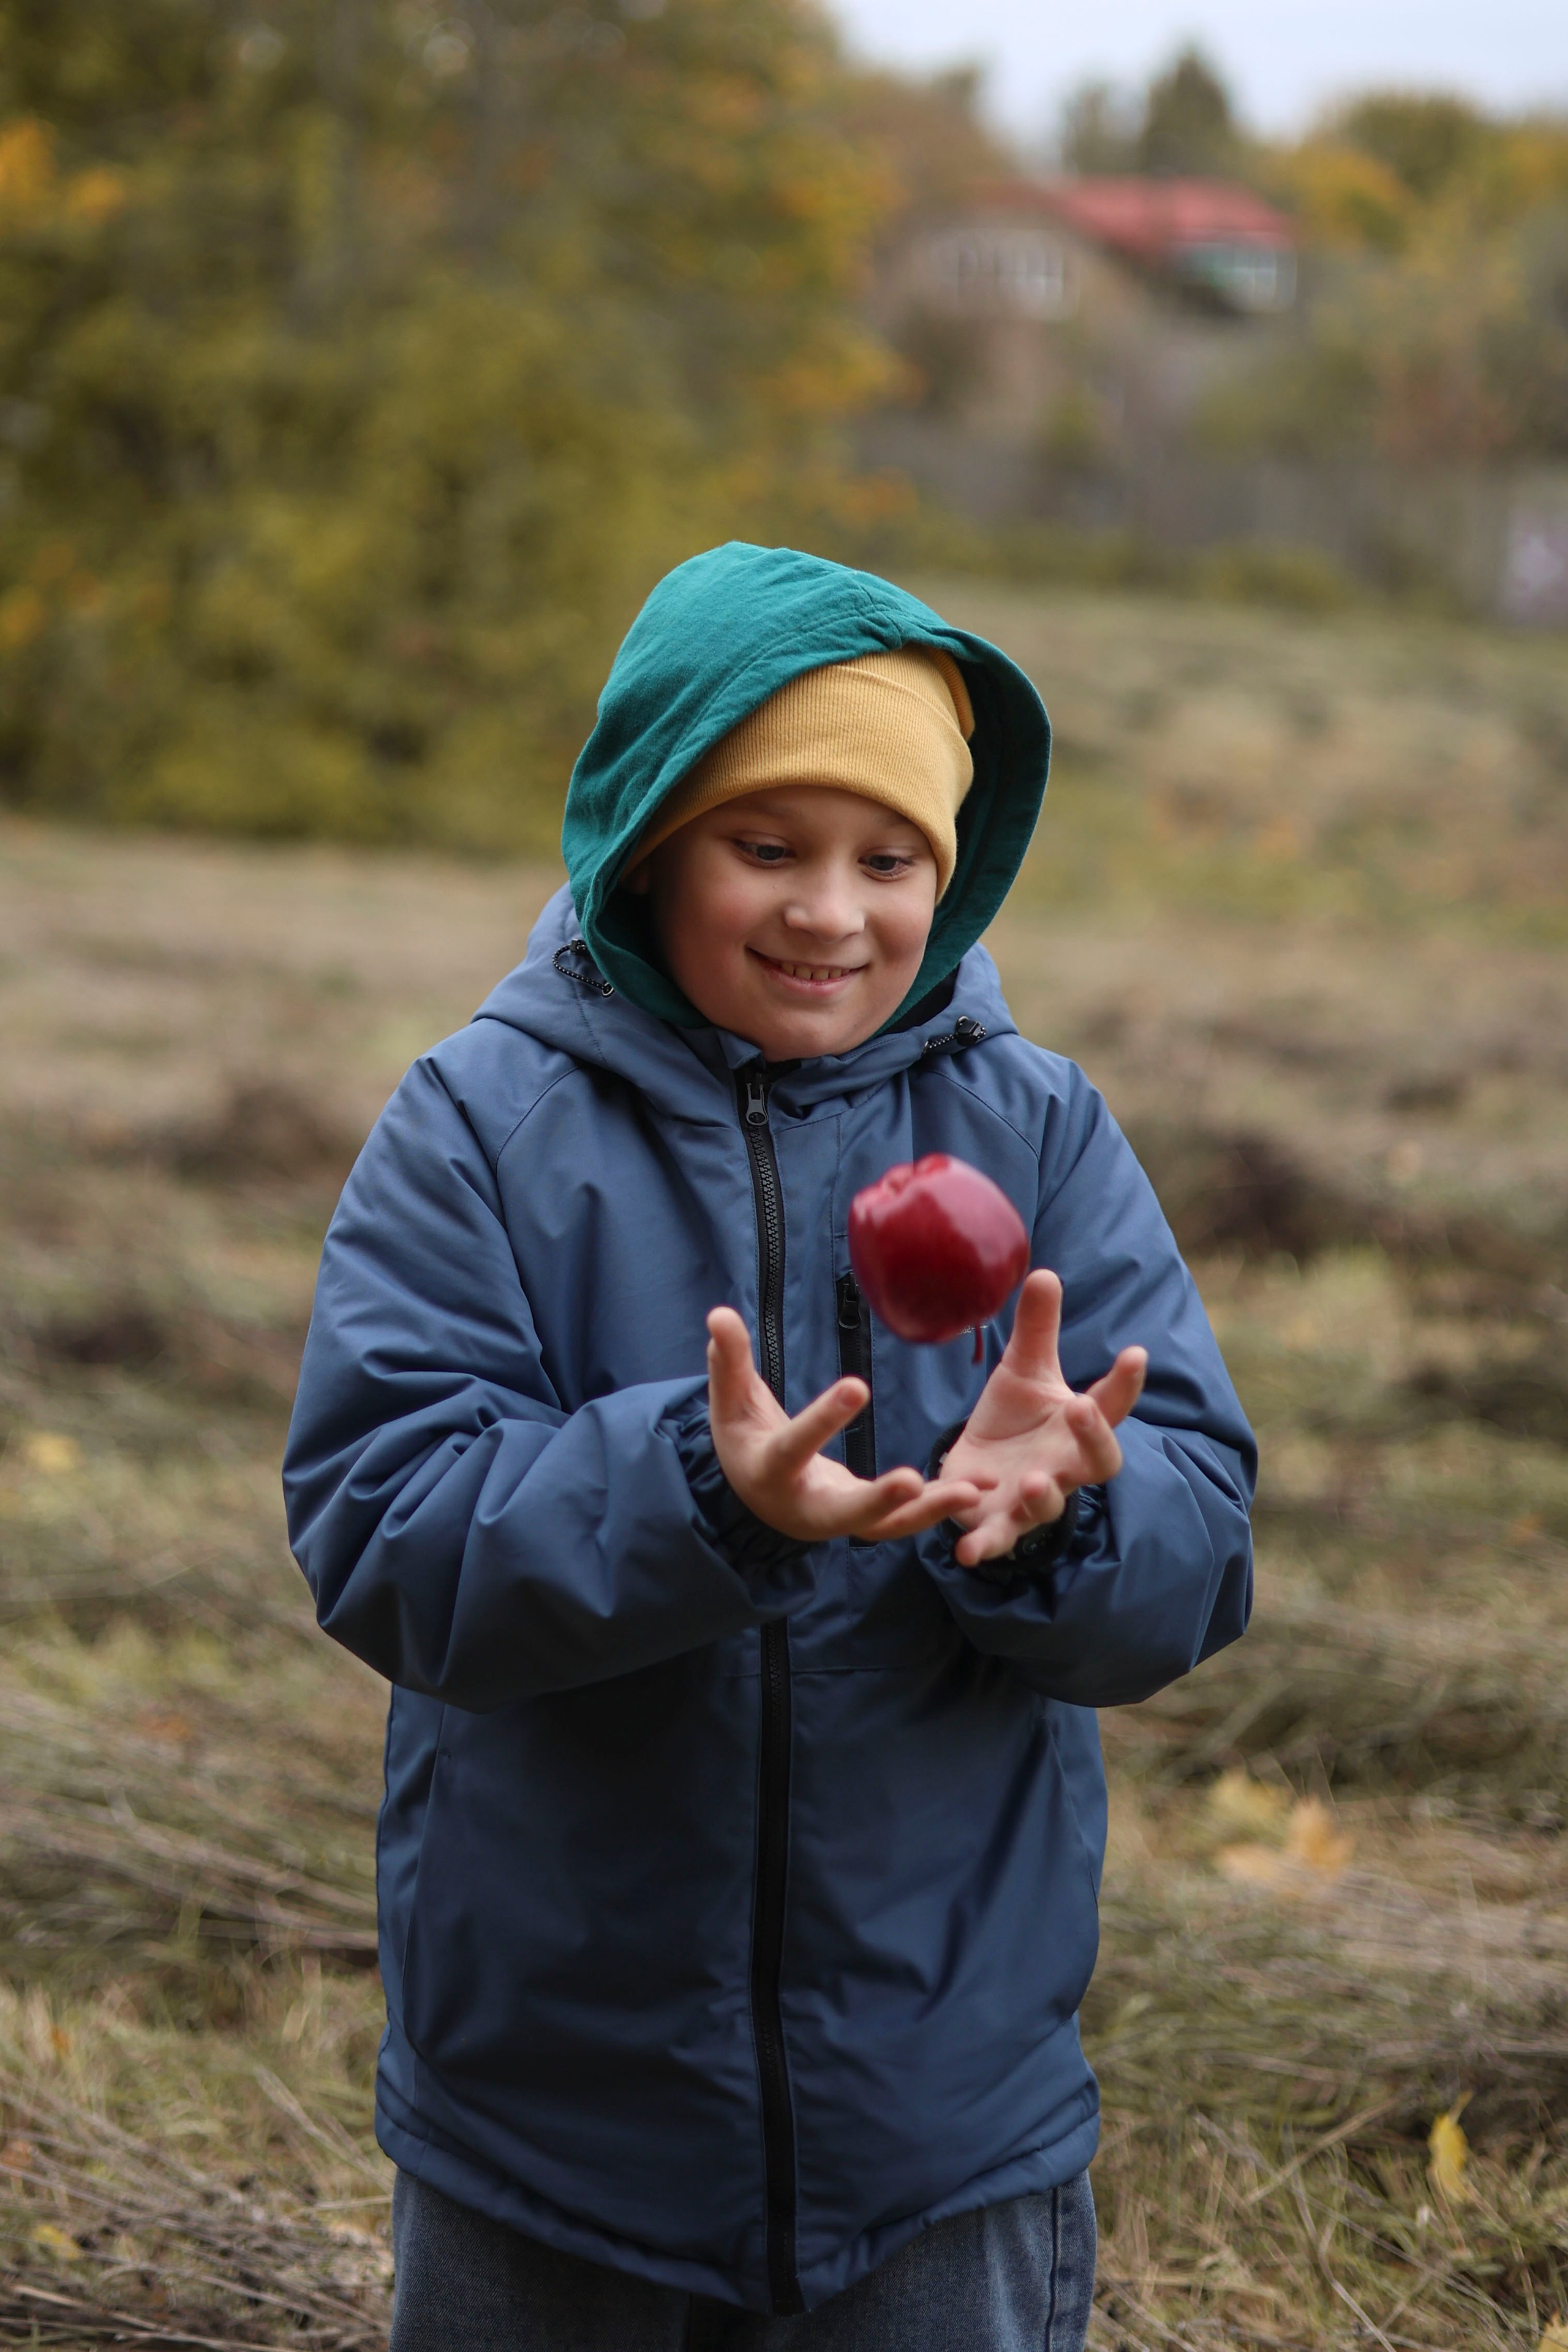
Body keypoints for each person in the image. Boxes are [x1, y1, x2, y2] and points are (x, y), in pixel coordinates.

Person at [282, 542, 1255, 2350]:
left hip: (939, 2112)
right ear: (654, 839)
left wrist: (1059, 1522)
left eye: (890, 861)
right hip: (555, 2117)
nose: (833, 913)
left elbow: (1197, 1548)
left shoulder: (1037, 1133)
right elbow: (385, 1528)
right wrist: (696, 1501)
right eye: (768, 848)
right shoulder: (479, 1127)